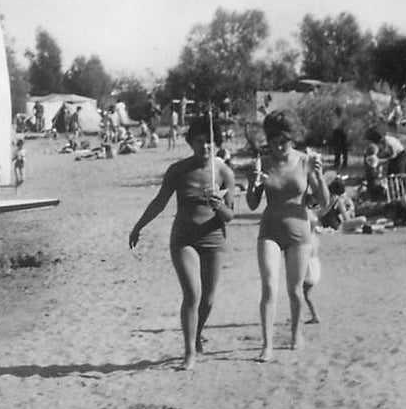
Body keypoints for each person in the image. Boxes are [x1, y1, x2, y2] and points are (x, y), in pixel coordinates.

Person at [129, 115, 236, 370]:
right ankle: (189, 352)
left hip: (214, 238)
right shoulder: (178, 170)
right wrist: (139, 226)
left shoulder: (224, 172)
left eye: (210, 142)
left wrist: (219, 206)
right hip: (184, 239)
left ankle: (196, 333)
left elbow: (230, 215)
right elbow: (159, 202)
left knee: (208, 299)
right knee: (192, 293)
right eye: (200, 142)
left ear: (217, 143)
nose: (205, 147)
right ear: (191, 143)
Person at [246, 111, 330, 362]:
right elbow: (252, 204)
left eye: (283, 141)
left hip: (299, 232)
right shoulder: (263, 162)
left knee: (295, 290)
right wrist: (253, 183)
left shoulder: (306, 161)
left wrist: (319, 176)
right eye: (273, 141)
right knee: (269, 287)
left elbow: (324, 205)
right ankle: (267, 344)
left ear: (292, 139)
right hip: (270, 230)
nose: (278, 146)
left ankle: (296, 333)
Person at [303, 209, 322, 325]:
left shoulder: (307, 238)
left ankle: (315, 315)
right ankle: (311, 314)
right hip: (314, 265)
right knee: (304, 293)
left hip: (308, 267)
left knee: (305, 294)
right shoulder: (315, 237)